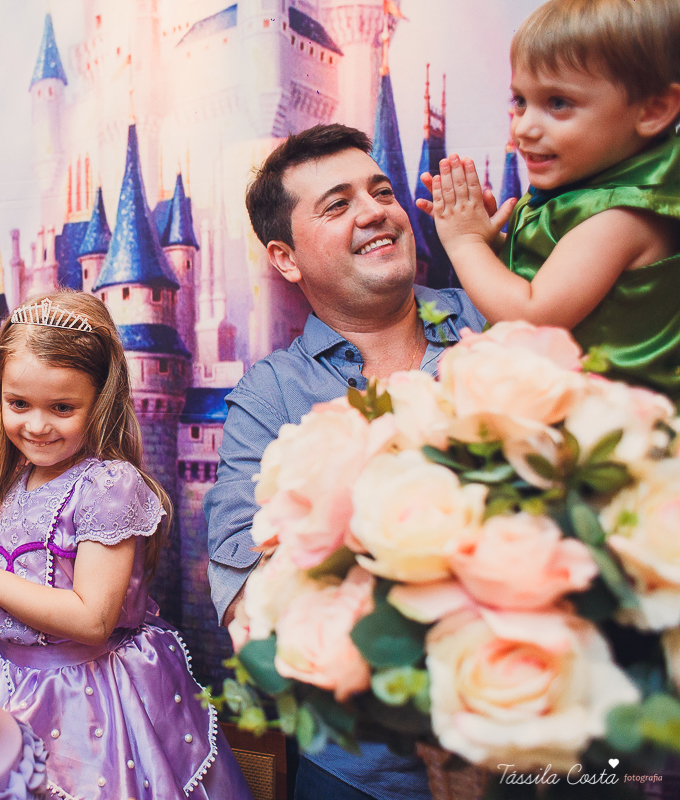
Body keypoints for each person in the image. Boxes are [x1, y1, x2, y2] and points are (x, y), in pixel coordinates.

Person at [204, 124, 486, 800]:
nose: (375, 211)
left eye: (382, 191)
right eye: (338, 204)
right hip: (359, 778)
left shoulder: (494, 318)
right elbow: (247, 603)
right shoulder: (270, 395)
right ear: (285, 258)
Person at [0, 292, 251, 799]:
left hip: (90, 697)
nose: (37, 425)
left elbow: (93, 619)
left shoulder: (107, 487)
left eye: (62, 408)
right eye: (19, 404)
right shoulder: (1, 479)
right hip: (7, 686)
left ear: (100, 400)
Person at [418, 0, 680, 398]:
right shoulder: (589, 192)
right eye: (519, 101)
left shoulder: (621, 218)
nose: (524, 128)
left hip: (606, 422)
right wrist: (494, 245)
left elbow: (530, 314)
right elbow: (561, 275)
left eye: (558, 103)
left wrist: (465, 242)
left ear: (653, 110)